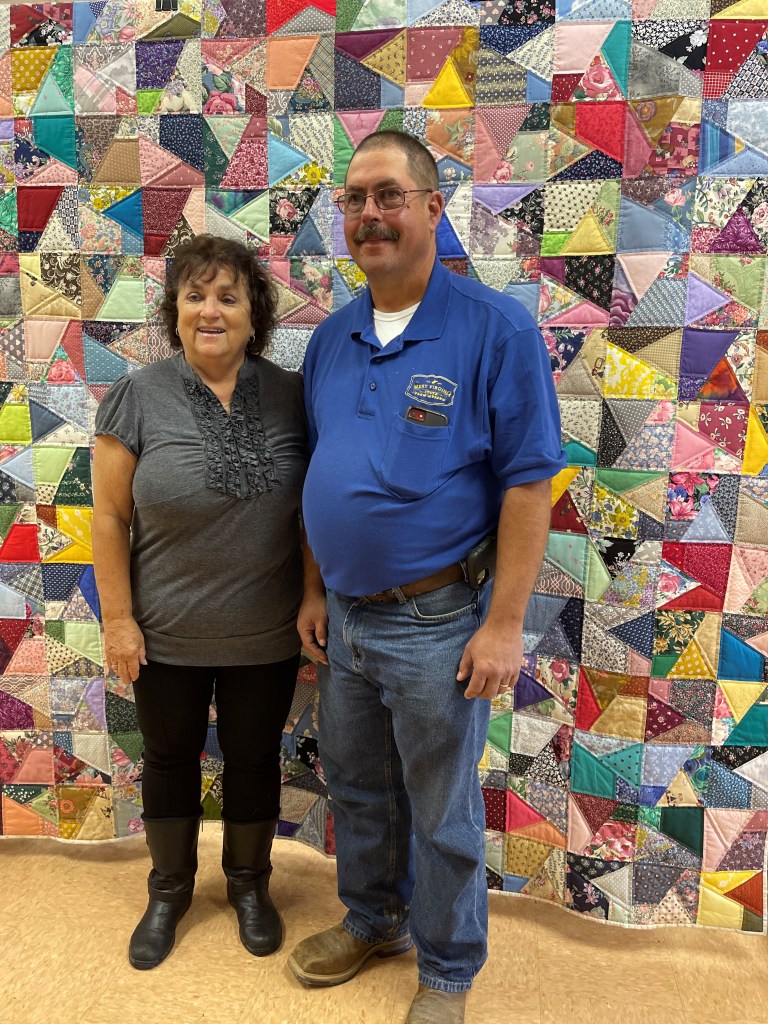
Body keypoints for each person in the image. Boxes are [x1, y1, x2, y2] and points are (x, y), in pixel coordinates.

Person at [288, 131, 565, 1024]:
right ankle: (375, 921)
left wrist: (505, 624)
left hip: (438, 621)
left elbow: (529, 483)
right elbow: (319, 476)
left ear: (433, 209)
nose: (369, 212)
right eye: (355, 197)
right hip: (345, 621)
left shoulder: (495, 328)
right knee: (360, 790)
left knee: (441, 812)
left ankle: (447, 970)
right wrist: (311, 590)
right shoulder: (332, 338)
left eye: (389, 195)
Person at [92, 234, 307, 970]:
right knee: (169, 758)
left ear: (255, 314)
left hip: (266, 634)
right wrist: (117, 620)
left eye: (227, 296)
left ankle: (250, 885)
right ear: (174, 311)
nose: (210, 310)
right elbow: (109, 517)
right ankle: (169, 890)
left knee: (253, 759)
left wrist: (313, 596)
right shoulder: (136, 396)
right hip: (164, 634)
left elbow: (314, 510)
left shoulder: (291, 396)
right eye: (194, 295)